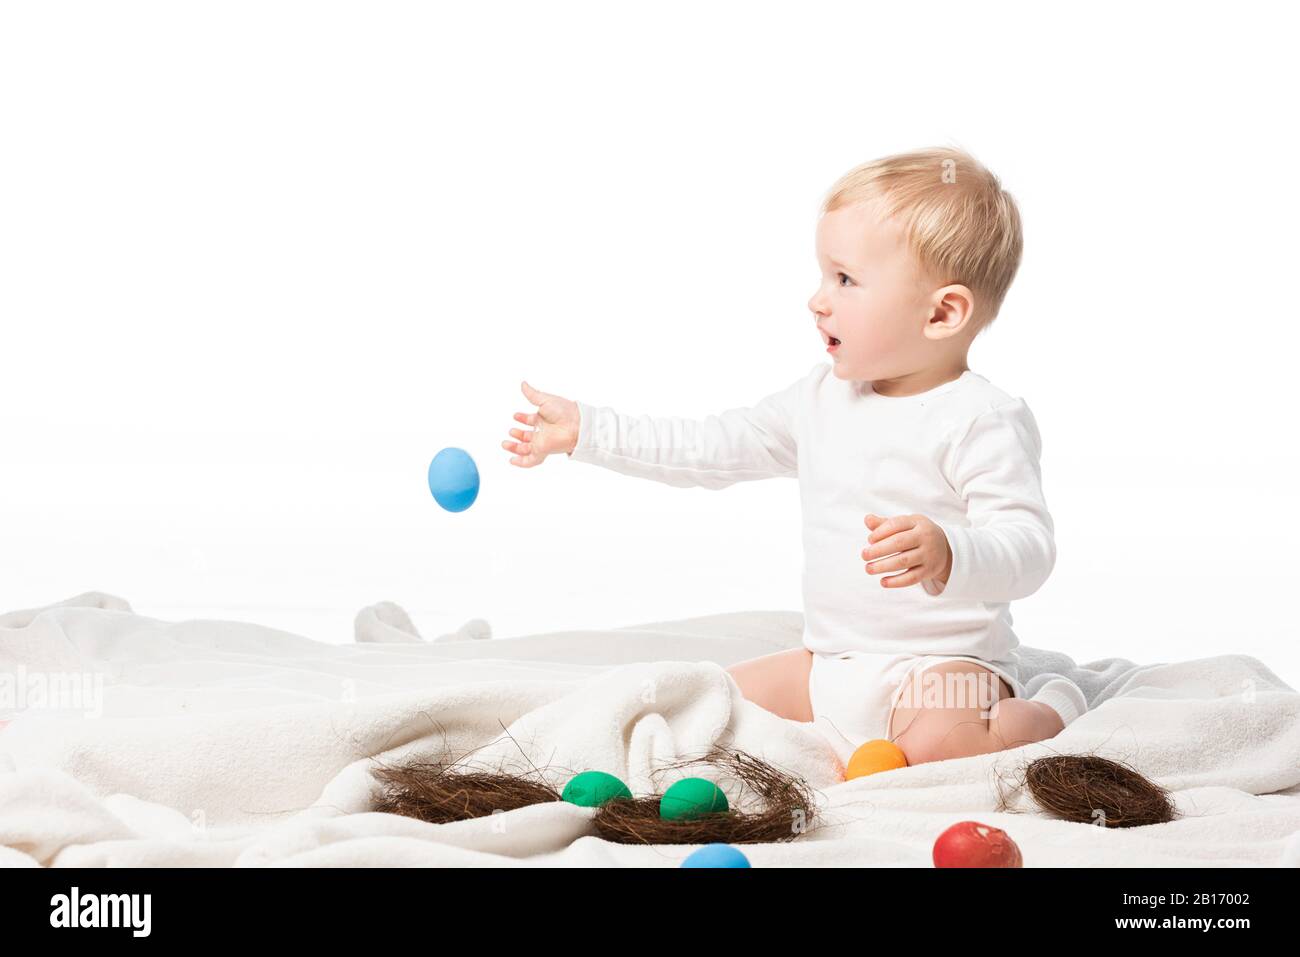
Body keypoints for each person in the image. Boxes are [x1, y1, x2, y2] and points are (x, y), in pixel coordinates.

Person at [502, 146, 1087, 767]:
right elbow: (709, 448)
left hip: (943, 671)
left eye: (845, 280)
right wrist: (590, 432)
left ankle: (1051, 708)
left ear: (942, 312)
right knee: (707, 702)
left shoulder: (979, 418)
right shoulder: (819, 401)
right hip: (830, 665)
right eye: (823, 276)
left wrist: (951, 551)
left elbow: (1030, 546)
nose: (818, 300)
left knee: (944, 750)